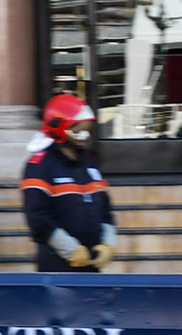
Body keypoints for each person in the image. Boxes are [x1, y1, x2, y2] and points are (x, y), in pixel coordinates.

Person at [22, 93, 118, 273]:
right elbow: (38, 218)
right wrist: (70, 250)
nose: (85, 134)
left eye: (87, 128)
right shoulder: (40, 166)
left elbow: (105, 210)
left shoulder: (88, 163)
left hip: (92, 261)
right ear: (59, 127)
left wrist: (108, 243)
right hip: (57, 265)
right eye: (78, 128)